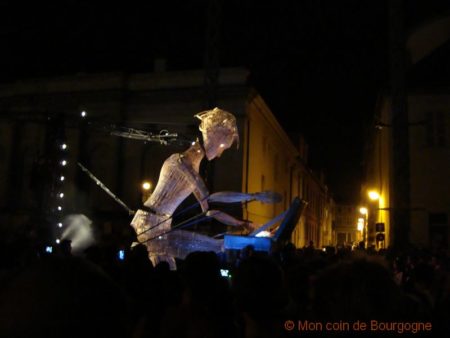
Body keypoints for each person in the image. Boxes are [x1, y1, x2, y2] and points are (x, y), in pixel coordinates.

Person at [130, 108, 278, 269]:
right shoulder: (182, 164)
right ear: (213, 139)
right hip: (149, 225)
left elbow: (209, 210)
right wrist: (254, 196)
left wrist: (241, 223)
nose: (220, 153)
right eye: (222, 147)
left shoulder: (192, 166)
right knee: (208, 248)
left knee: (209, 248)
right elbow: (210, 198)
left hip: (160, 225)